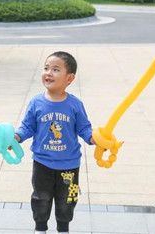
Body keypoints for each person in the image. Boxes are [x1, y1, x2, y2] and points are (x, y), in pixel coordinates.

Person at [15, 51, 95, 234]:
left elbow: (84, 128)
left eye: (56, 69)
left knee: (69, 199)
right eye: (46, 68)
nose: (48, 73)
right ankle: (40, 228)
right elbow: (27, 126)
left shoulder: (75, 104)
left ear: (69, 78)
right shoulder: (36, 103)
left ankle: (63, 229)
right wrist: (17, 137)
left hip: (70, 166)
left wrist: (93, 138)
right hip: (42, 163)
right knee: (40, 198)